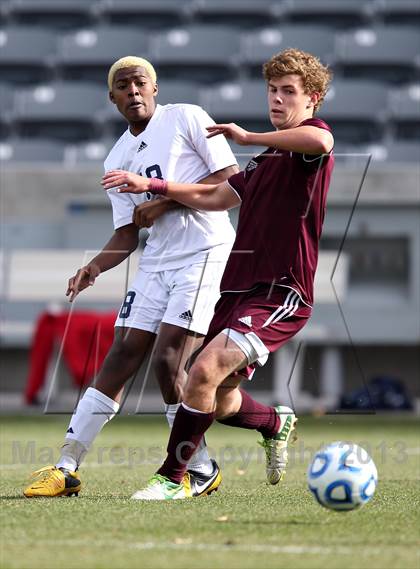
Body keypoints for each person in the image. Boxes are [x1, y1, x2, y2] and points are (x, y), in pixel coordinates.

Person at [101, 48, 335, 500]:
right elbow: (215, 196)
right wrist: (154, 185)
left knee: (203, 370)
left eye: (289, 92)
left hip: (280, 290)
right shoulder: (264, 161)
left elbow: (321, 143)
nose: (278, 98)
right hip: (237, 288)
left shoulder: (309, 144)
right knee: (213, 393)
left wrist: (246, 136)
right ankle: (273, 421)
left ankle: (174, 478)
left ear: (313, 100)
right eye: (272, 90)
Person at [23, 56, 238, 498]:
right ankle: (65, 467)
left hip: (204, 253)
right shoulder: (117, 156)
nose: (133, 90)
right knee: (121, 355)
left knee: (167, 361)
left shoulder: (186, 118)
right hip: (158, 262)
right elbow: (128, 231)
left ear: (155, 88)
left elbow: (230, 183)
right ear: (112, 98)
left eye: (140, 82)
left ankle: (196, 467)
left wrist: (162, 199)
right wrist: (94, 267)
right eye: (123, 86)